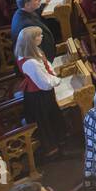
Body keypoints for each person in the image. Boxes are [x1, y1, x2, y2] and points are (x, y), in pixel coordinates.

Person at [15, 25, 66, 157]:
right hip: (39, 96)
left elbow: (46, 64)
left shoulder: (32, 51)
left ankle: (59, 138)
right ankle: (52, 149)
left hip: (41, 92)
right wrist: (58, 80)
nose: (41, 37)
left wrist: (53, 74)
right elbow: (44, 83)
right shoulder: (30, 62)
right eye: (38, 35)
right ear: (30, 41)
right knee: (45, 122)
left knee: (51, 117)